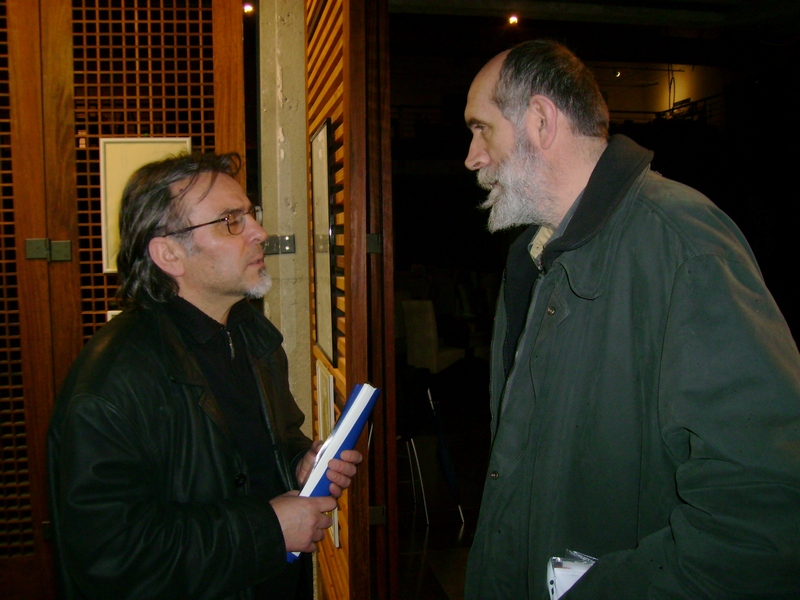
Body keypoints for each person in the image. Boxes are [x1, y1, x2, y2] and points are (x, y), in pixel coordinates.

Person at [462, 39, 800, 599]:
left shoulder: (681, 242)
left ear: (540, 120)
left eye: (481, 129)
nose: (472, 157)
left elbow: (765, 515)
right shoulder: (535, 258)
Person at [47, 152, 362, 599]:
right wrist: (267, 529)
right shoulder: (112, 383)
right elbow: (110, 556)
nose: (259, 233)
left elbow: (270, 442)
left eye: (249, 214)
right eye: (230, 220)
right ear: (169, 253)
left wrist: (298, 465)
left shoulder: (252, 335)